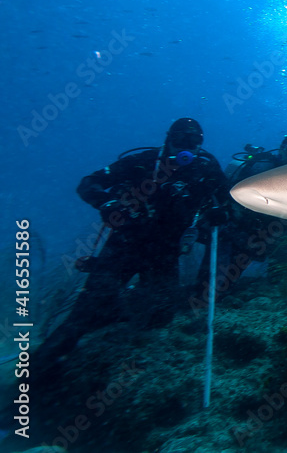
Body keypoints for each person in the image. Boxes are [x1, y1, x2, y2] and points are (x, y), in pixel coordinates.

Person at [37, 118, 228, 366]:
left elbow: (228, 199)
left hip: (166, 252)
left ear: (200, 144)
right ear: (168, 140)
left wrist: (218, 213)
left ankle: (115, 324)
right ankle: (36, 372)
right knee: (84, 312)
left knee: (160, 315)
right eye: (181, 140)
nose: (186, 148)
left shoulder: (206, 168)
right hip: (125, 244)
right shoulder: (143, 162)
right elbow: (88, 184)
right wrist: (107, 204)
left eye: (194, 142)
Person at [202, 133, 287, 288]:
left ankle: (278, 294)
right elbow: (231, 193)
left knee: (283, 277)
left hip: (281, 233)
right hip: (248, 230)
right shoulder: (260, 167)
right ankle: (218, 292)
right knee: (229, 277)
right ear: (281, 151)